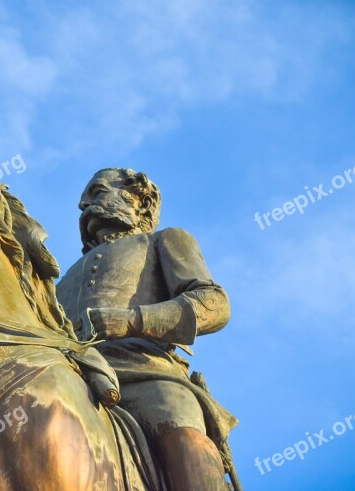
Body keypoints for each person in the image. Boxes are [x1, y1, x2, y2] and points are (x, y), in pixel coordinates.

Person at [56, 168, 240, 490]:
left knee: (184, 438)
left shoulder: (165, 240)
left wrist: (131, 320)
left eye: (97, 192)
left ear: (141, 200)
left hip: (147, 372)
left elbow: (214, 303)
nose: (85, 205)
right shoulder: (59, 279)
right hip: (70, 371)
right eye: (84, 200)